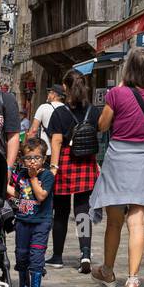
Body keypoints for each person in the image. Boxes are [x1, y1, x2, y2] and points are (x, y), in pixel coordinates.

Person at [89, 47, 144, 287]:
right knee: (137, 221)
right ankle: (133, 281)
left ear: (129, 69)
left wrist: (121, 91)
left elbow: (102, 126)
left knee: (114, 221)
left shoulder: (117, 93)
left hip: (118, 158)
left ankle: (108, 271)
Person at [46, 70, 100, 272]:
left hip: (66, 161)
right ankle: (85, 254)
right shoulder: (93, 111)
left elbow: (57, 141)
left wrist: (53, 168)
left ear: (65, 87)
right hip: (86, 162)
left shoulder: (59, 112)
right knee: (83, 211)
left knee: (60, 212)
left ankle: (57, 256)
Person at [13, 139, 54, 287]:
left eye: (36, 158)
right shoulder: (21, 175)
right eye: (28, 158)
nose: (32, 162)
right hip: (22, 221)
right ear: (23, 160)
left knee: (36, 255)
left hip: (41, 222)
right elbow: (17, 194)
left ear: (43, 159)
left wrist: (33, 178)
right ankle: (24, 284)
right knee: (21, 255)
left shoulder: (47, 175)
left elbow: (41, 195)